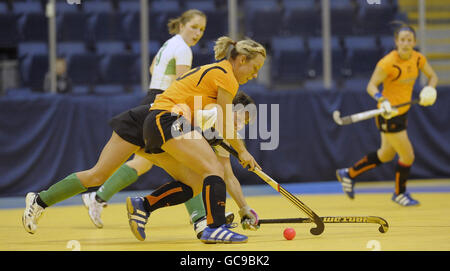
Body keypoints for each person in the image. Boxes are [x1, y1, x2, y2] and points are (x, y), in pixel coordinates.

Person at [22, 36, 266, 244]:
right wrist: (243, 152)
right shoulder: (226, 78)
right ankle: (213, 226)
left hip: (155, 120)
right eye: (254, 69)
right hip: (157, 118)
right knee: (98, 175)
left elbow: (222, 146)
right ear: (241, 59)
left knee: (193, 180)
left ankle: (144, 206)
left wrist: (244, 206)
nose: (254, 76)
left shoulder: (215, 88)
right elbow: (223, 131)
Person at [80, 9, 227, 238]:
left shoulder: (169, 44)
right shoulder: (184, 50)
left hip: (153, 98)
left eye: (202, 30)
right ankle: (200, 219)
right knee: (189, 164)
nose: (197, 33)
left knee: (145, 162)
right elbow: (183, 82)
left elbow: (152, 69)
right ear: (181, 26)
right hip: (164, 105)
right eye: (194, 27)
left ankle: (97, 196)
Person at [336, 22, 438, 206]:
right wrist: (382, 100)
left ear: (414, 42)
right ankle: (399, 193)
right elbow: (371, 86)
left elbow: (433, 76)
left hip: (403, 112)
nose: (405, 43)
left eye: (409, 40)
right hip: (388, 114)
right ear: (396, 42)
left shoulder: (417, 59)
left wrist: (429, 90)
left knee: (386, 154)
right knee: (408, 156)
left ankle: (348, 174)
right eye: (402, 40)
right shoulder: (387, 62)